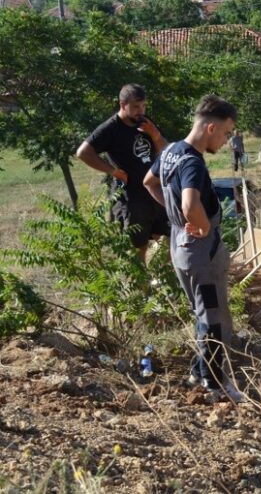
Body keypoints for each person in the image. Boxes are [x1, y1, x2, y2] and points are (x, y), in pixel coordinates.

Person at [143, 95, 243, 402]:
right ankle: (213, 385)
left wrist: (173, 215)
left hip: (180, 246)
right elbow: (190, 203)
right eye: (226, 133)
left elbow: (149, 181)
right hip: (202, 254)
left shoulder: (171, 150)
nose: (227, 140)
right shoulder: (192, 162)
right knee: (214, 319)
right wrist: (202, 226)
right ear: (210, 128)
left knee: (202, 312)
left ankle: (199, 371)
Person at [76, 83, 168, 261]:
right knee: (136, 249)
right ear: (122, 104)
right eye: (135, 107)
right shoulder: (110, 128)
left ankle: (161, 284)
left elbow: (165, 150)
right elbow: (83, 152)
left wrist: (154, 134)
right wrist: (113, 171)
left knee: (167, 240)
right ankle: (140, 288)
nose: (140, 111)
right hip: (131, 198)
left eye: (143, 106)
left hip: (155, 193)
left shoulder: (146, 122)